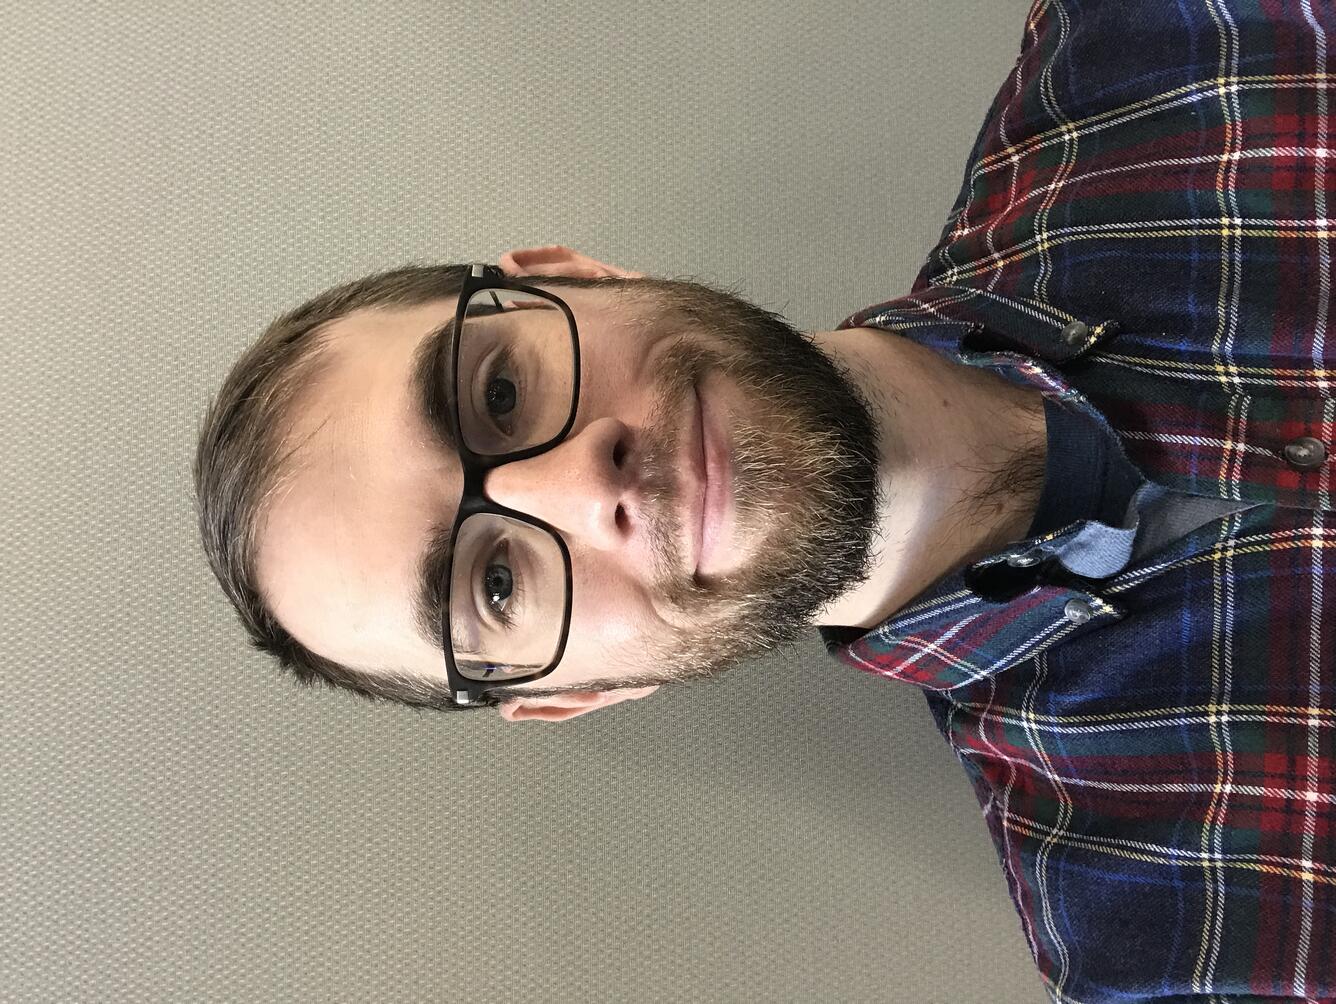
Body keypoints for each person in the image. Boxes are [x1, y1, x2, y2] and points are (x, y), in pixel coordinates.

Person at [193, 1, 1336, 999]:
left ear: (577, 276)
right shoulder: (1182, 949)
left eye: (497, 387)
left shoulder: (1174, 37)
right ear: (582, 695)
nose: (583, 482)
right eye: (494, 582)